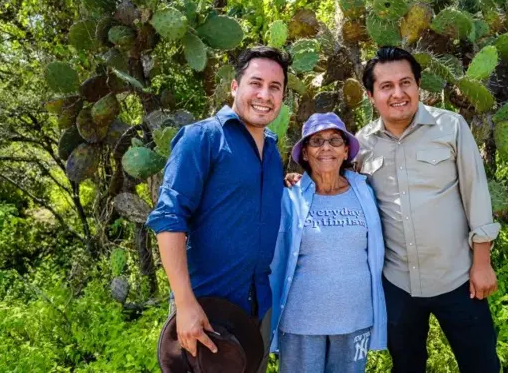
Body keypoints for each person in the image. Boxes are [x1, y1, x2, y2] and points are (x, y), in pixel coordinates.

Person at [356, 46, 501, 373]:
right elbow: (339, 189)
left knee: (482, 365)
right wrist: (299, 181)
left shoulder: (451, 127)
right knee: (407, 366)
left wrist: (482, 262)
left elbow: (476, 193)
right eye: (386, 86)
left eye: (406, 83)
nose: (398, 93)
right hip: (397, 283)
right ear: (371, 95)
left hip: (459, 279)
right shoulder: (361, 144)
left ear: (418, 85)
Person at [146, 46, 290, 373]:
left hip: (258, 306)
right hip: (206, 309)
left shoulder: (270, 150)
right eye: (256, 83)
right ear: (235, 86)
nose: (264, 95)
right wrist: (184, 304)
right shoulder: (202, 139)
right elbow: (169, 220)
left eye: (274, 87)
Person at [270, 112, 387, 373]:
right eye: (316, 141)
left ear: (346, 151)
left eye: (335, 141)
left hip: (355, 318)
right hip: (301, 322)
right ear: (305, 154)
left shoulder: (365, 190)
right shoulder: (290, 197)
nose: (326, 147)